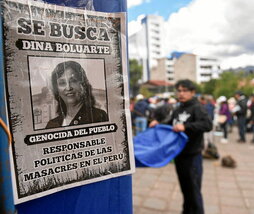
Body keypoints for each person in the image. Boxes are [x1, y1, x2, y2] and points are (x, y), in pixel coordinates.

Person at [150, 79, 212, 214]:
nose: (181, 93)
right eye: (179, 91)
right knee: (185, 189)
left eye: (185, 91)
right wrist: (158, 123)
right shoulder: (178, 108)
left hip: (192, 156)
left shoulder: (197, 107)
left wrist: (186, 127)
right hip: (179, 155)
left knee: (194, 192)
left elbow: (207, 125)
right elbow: (171, 124)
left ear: (192, 92)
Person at [46, 61, 108, 129]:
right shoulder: (52, 125)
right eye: (62, 83)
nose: (68, 88)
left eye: (73, 81)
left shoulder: (98, 116)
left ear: (83, 84)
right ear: (57, 90)